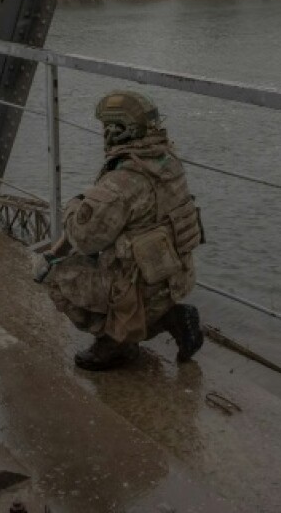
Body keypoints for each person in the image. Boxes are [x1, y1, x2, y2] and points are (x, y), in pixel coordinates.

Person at [35, 90, 205, 370]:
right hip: (177, 280)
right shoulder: (170, 161)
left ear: (118, 130)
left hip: (142, 291)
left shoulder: (122, 180)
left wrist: (75, 205)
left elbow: (84, 239)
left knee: (52, 274)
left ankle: (116, 342)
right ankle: (172, 317)